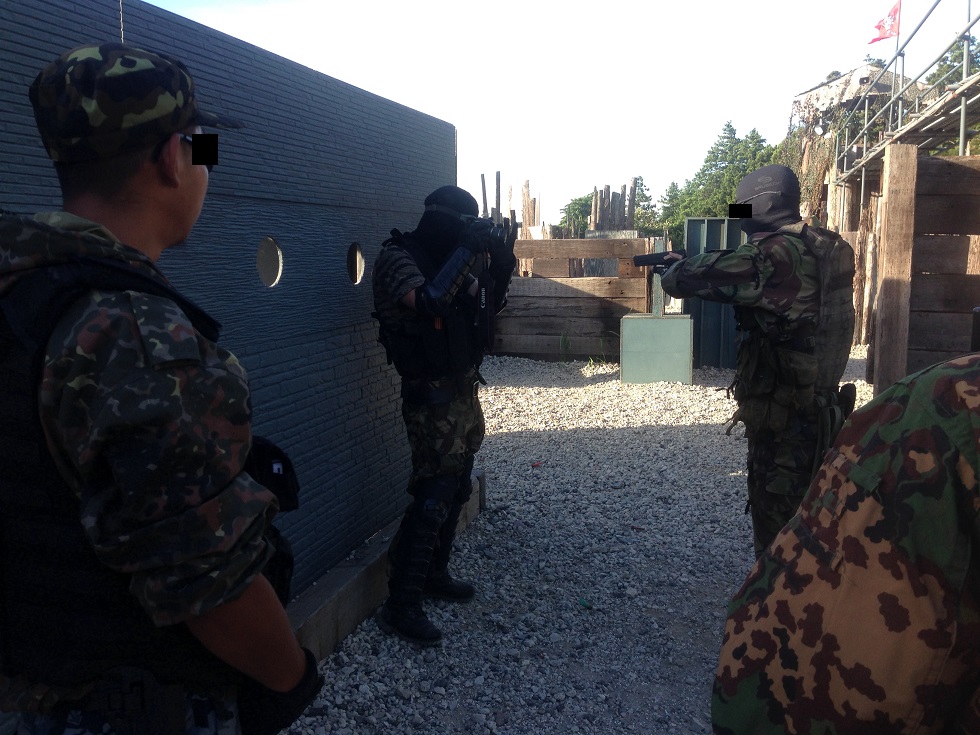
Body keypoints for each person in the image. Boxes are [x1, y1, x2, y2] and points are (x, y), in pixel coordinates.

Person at [0, 43, 322, 735]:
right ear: (172, 158)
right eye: (203, 147)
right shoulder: (134, 335)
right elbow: (206, 581)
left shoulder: (22, 291)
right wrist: (290, 675)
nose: (207, 166)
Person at [712, 352, 980, 734]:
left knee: (778, 512)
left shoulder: (948, 404)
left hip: (790, 431)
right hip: (797, 427)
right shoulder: (947, 402)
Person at [661, 164, 856, 555]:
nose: (738, 216)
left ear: (762, 205)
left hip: (785, 422)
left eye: (742, 208)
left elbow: (683, 281)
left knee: (780, 536)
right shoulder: (825, 246)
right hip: (821, 409)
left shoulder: (774, 255)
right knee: (813, 523)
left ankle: (779, 593)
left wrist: (675, 266)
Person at [371, 186, 516, 646]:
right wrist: (467, 249)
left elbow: (486, 306)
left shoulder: (448, 261)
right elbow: (431, 300)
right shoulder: (398, 258)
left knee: (457, 485)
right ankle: (401, 604)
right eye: (462, 225)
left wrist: (502, 266)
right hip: (428, 396)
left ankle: (435, 574)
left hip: (461, 391)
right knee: (433, 493)